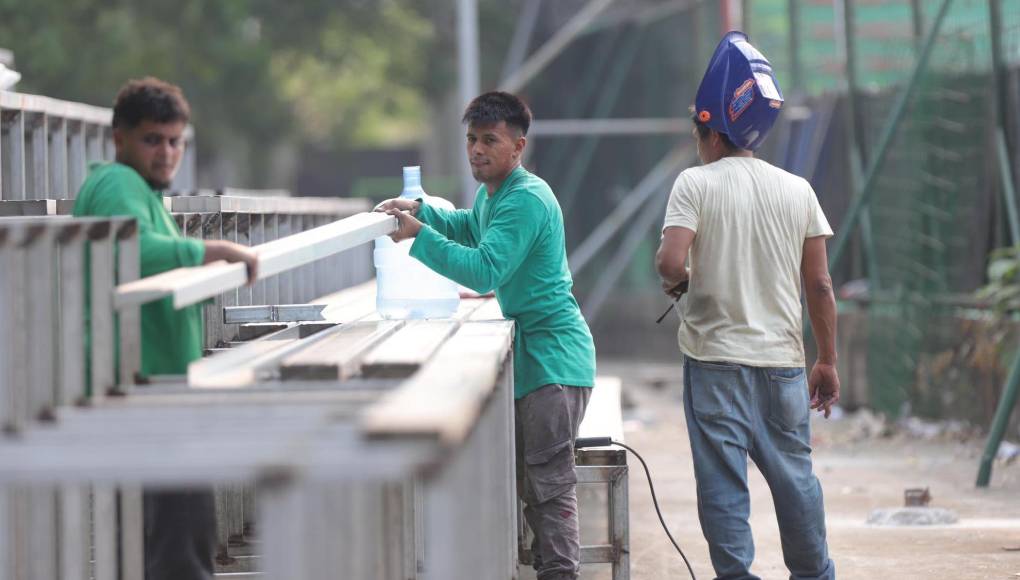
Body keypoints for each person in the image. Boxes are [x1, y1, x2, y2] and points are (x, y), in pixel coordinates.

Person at [375, 91, 596, 580]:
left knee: (548, 485)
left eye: (489, 140)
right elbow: (472, 230)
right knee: (533, 483)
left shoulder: (525, 199)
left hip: (554, 359)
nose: (476, 150)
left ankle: (560, 574)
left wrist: (416, 235)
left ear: (518, 147)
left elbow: (483, 270)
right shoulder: (495, 196)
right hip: (538, 357)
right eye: (472, 139)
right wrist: (420, 210)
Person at [655, 32, 839, 580]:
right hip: (782, 364)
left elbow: (669, 262)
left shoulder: (694, 184)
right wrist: (826, 359)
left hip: (715, 363)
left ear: (708, 128)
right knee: (795, 478)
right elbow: (821, 286)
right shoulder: (797, 190)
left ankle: (736, 575)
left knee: (722, 484)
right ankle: (814, 574)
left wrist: (685, 283)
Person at [73, 77, 257, 580]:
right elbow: (133, 252)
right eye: (152, 139)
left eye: (175, 141)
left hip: (152, 383)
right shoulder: (117, 184)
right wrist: (210, 250)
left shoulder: (138, 191)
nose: (166, 153)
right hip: (139, 384)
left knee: (164, 534)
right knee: (181, 535)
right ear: (120, 139)